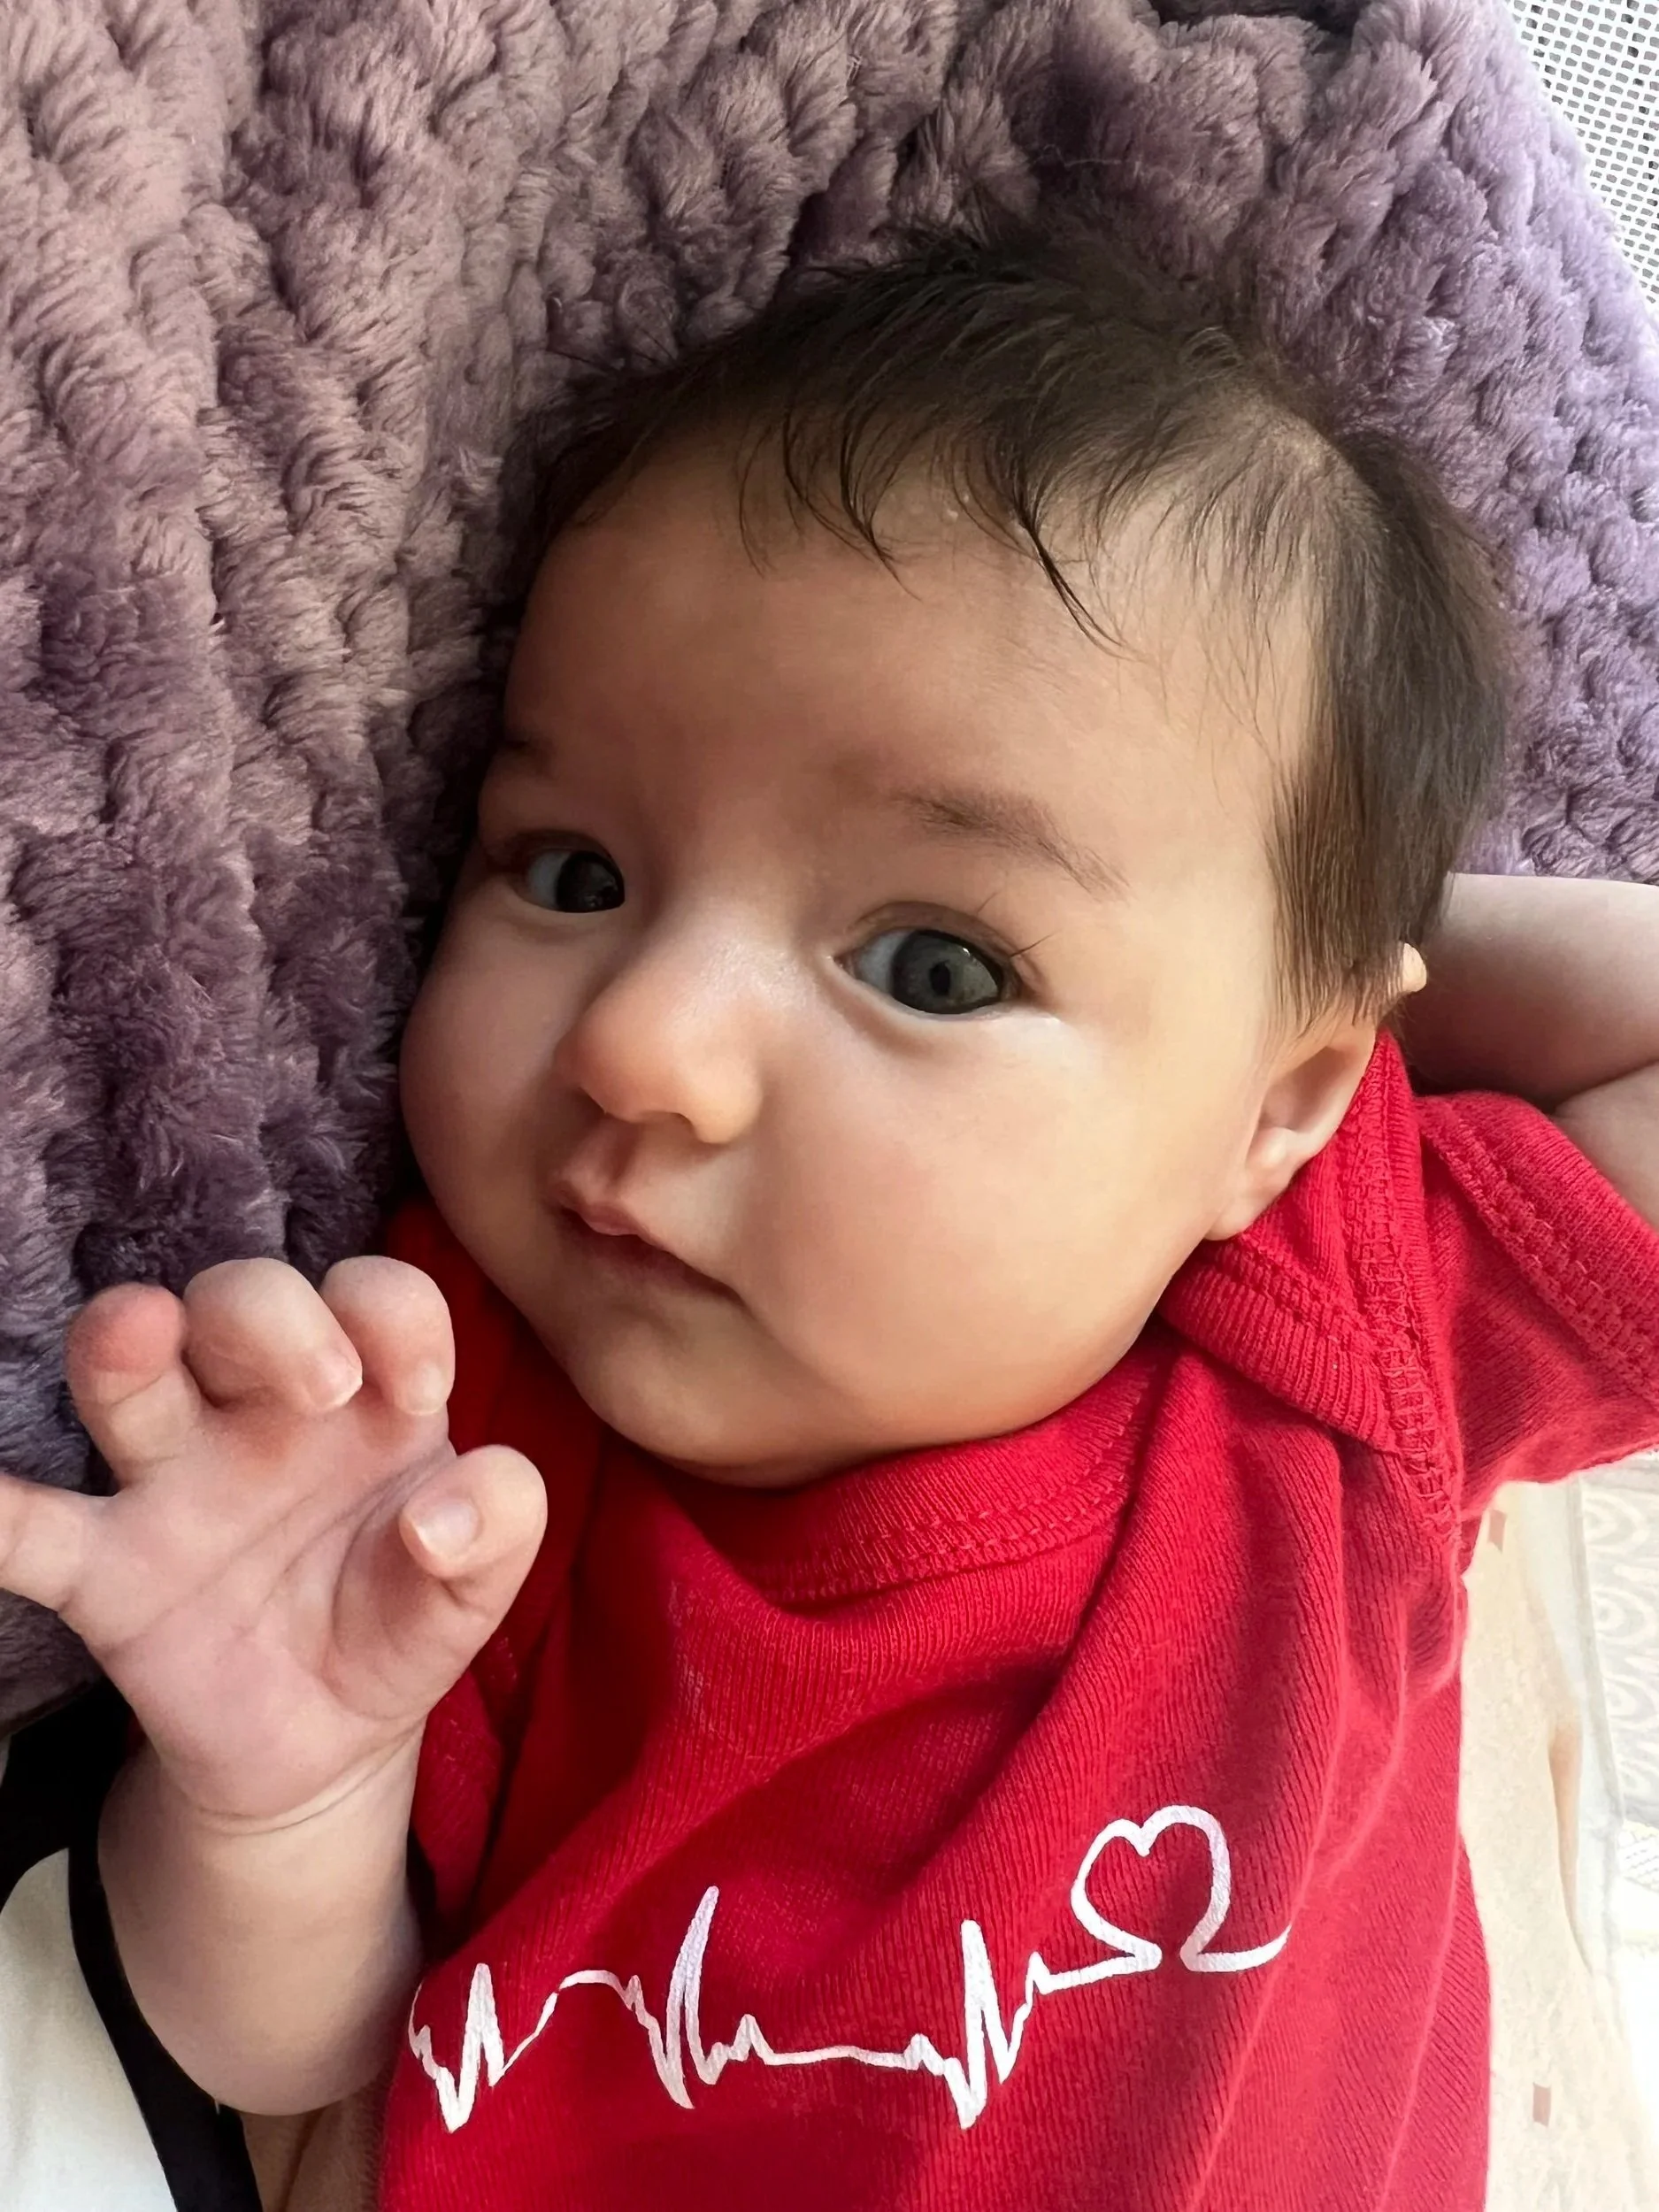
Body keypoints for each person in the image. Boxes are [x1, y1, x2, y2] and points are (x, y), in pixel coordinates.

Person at [2, 224, 1658, 2212]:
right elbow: (276, 2053)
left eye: (936, 962)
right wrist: (277, 1796)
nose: (641, 1043)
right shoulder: (448, 1441)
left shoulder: (1332, 1324)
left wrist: (1283, 945)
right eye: (574, 870)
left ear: (1286, 1109)